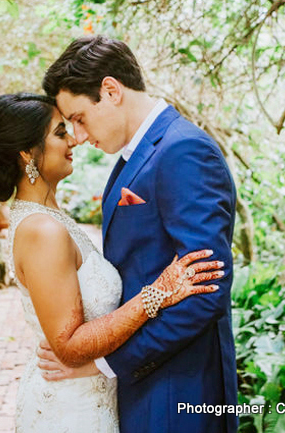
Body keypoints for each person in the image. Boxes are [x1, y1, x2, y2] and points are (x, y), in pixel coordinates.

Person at [0, 92, 225, 432]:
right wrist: (157, 293)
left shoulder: (51, 217)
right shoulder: (42, 230)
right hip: (69, 408)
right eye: (60, 133)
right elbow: (70, 346)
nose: (74, 139)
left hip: (93, 397)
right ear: (27, 154)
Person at [39, 35, 239, 433]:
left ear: (110, 91)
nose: (77, 136)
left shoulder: (183, 151)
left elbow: (208, 290)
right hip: (148, 383)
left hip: (179, 386)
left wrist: (105, 363)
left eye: (79, 118)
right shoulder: (133, 155)